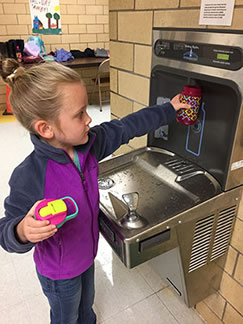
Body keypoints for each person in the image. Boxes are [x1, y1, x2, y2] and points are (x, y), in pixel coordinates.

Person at [0, 58, 190, 324]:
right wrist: (21, 230)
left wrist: (169, 109)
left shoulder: (89, 144)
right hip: (59, 272)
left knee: (85, 305)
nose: (89, 118)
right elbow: (5, 229)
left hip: (86, 255)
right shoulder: (29, 175)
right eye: (79, 114)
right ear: (46, 128)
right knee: (66, 314)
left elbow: (128, 126)